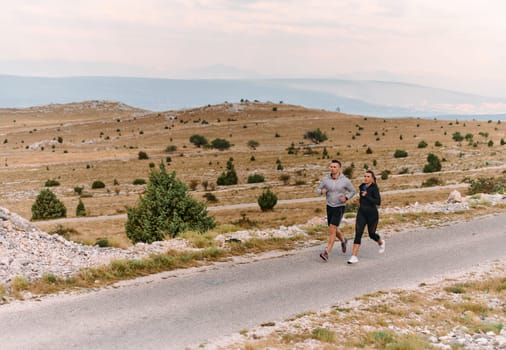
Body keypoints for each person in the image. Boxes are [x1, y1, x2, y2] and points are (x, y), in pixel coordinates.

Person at [317, 159, 356, 262]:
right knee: (333, 228)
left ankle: (326, 252)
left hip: (339, 207)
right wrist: (322, 191)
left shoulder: (345, 180)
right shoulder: (326, 179)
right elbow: (318, 190)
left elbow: (353, 191)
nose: (332, 168)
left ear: (339, 168)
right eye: (331, 167)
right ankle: (343, 240)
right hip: (329, 206)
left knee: (332, 229)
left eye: (335, 167)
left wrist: (346, 198)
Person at [348, 170, 385, 264]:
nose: (366, 178)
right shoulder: (362, 187)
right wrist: (359, 200)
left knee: (371, 234)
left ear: (372, 178)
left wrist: (367, 196)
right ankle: (354, 256)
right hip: (361, 213)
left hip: (372, 215)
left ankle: (380, 242)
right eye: (365, 176)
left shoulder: (374, 188)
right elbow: (362, 198)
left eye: (368, 176)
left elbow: (378, 202)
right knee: (358, 233)